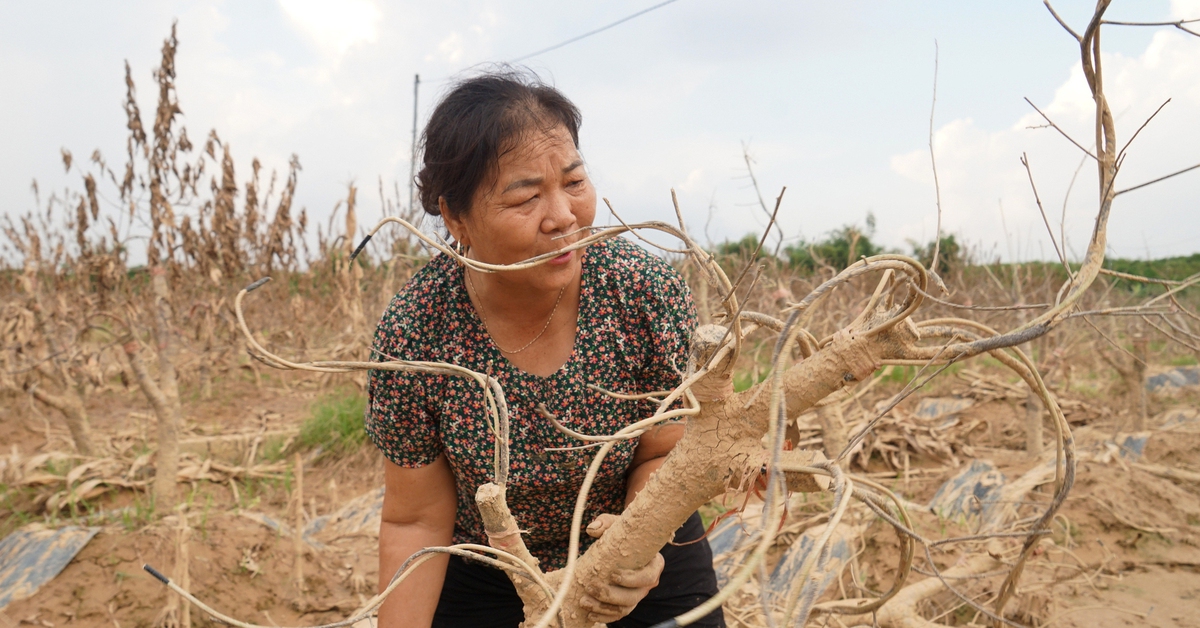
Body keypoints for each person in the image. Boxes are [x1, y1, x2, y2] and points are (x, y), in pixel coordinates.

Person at [366, 69, 724, 628]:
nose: (563, 217)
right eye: (526, 197)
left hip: (643, 548)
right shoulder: (416, 334)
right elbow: (416, 523)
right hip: (488, 573)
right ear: (456, 218)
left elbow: (662, 453)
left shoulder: (644, 292)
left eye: (574, 184)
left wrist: (634, 549)